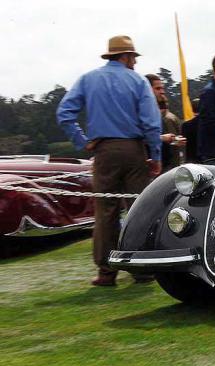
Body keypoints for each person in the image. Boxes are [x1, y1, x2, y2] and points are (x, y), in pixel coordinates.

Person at [56, 35, 162, 286]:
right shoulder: (138, 81)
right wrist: (155, 155)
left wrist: (83, 142)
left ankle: (106, 272)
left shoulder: (88, 79)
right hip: (134, 150)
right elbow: (151, 123)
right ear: (126, 57)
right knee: (139, 209)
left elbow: (64, 114)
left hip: (103, 151)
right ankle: (142, 268)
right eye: (133, 58)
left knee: (105, 212)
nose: (134, 62)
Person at [146, 74, 186, 172]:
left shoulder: (163, 116)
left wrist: (173, 140)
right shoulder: (142, 113)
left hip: (165, 165)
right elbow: (141, 138)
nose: (162, 92)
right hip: (150, 166)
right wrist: (164, 138)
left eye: (162, 88)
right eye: (158, 88)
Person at [181, 98, 199, 163]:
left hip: (191, 160)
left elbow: (183, 143)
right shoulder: (208, 124)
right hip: (206, 159)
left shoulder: (185, 125)